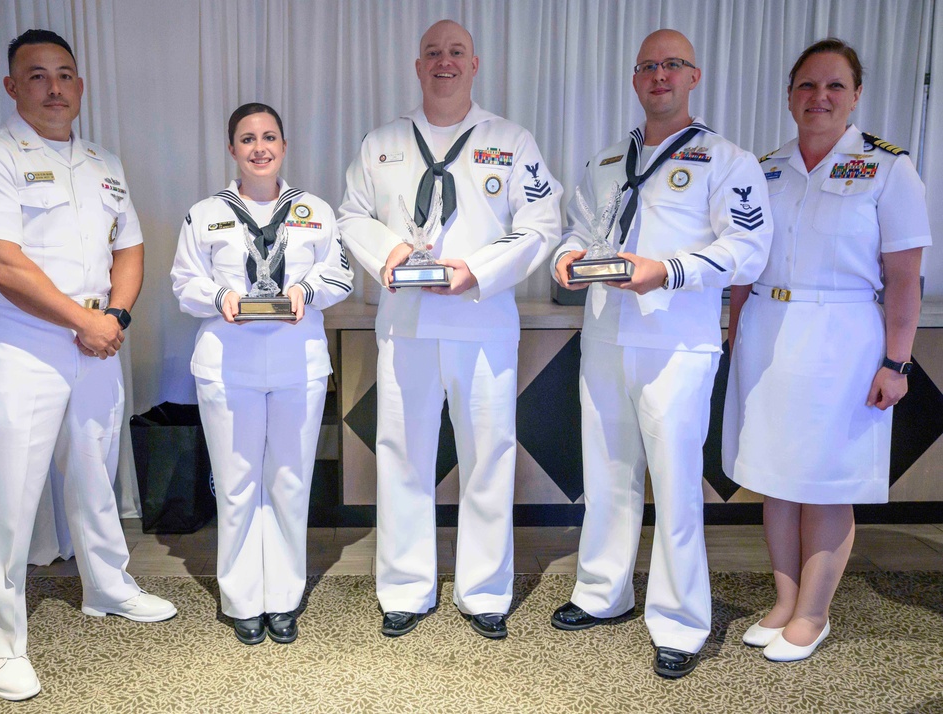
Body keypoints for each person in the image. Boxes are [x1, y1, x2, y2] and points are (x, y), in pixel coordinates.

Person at [0, 29, 176, 701]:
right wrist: (87, 322)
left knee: (94, 472)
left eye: (66, 74)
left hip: (97, 340)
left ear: (80, 85)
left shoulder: (103, 162)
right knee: (7, 496)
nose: (55, 87)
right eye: (38, 75)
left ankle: (107, 587)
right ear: (12, 86)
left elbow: (129, 249)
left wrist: (117, 319)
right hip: (23, 346)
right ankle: (1, 643)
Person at [550, 29, 773, 678]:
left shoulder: (726, 161)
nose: (659, 76)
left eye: (672, 65)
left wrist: (668, 270)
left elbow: (748, 251)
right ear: (635, 78)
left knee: (675, 487)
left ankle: (679, 623)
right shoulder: (604, 162)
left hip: (676, 344)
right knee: (607, 474)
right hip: (603, 336)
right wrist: (566, 255)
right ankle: (602, 594)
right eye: (648, 66)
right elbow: (579, 229)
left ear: (694, 76)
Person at [338, 19, 562, 639]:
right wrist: (388, 255)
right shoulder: (382, 141)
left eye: (455, 52)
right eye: (433, 53)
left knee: (487, 457)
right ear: (417, 65)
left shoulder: (511, 140)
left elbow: (543, 222)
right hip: (406, 322)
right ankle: (406, 588)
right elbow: (350, 214)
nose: (444, 62)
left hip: (482, 320)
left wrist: (479, 269)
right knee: (403, 454)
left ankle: (485, 592)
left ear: (475, 63)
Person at [722, 38, 931, 662]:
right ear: (789, 96)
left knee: (826, 481)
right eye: (807, 86)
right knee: (775, 478)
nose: (820, 97)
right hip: (767, 328)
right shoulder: (763, 169)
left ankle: (814, 612)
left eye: (834, 86)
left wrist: (896, 362)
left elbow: (903, 278)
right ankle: (784, 603)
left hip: (843, 337)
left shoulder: (889, 168)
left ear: (857, 94)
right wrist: (736, 333)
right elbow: (742, 263)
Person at [172, 103, 353, 646]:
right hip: (228, 366)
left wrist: (307, 290)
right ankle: (243, 599)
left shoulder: (316, 211)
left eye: (269, 137)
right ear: (232, 149)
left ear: (284, 145)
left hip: (298, 363)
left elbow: (339, 274)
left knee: (290, 481)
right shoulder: (204, 213)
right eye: (247, 138)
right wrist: (219, 295)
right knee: (236, 485)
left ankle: (283, 598)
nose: (259, 147)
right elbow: (184, 283)